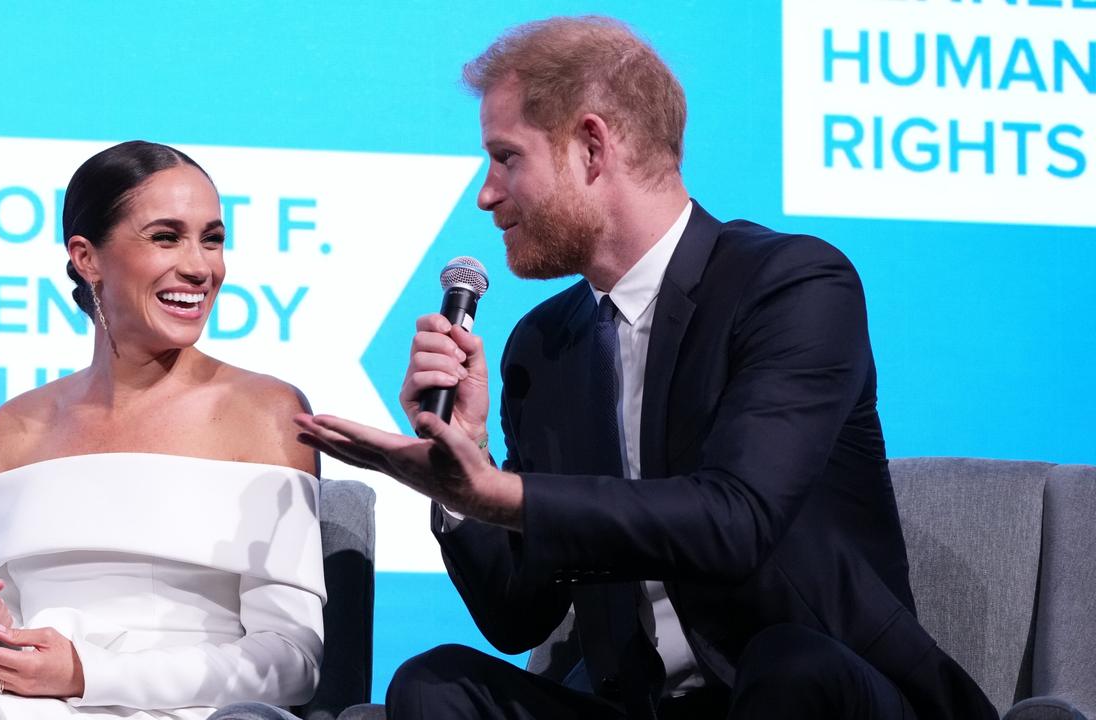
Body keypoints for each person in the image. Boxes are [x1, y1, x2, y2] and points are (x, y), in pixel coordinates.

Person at [295, 16, 997, 720]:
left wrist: (500, 494)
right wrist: (463, 466)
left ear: (591, 147)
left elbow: (735, 521)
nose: (486, 193)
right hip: (647, 705)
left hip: (821, 692)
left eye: (507, 157)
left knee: (792, 668)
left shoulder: (792, 286)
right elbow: (518, 616)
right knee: (437, 684)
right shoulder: (545, 346)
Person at [0, 141, 324, 720]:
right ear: (87, 258)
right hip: (24, 693)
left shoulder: (265, 412)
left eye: (211, 238)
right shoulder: (18, 426)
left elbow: (292, 661)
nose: (200, 266)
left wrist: (88, 673)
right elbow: (0, 615)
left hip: (180, 705)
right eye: (166, 237)